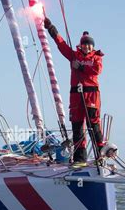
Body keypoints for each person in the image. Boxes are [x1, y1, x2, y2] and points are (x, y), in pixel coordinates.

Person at [44, 17, 105, 166]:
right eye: (84, 44)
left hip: (91, 94)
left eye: (89, 45)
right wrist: (51, 28)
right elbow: (61, 45)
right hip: (76, 95)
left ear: (92, 46)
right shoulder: (73, 56)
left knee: (93, 125)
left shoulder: (96, 58)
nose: (87, 47)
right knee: (77, 127)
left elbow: (97, 70)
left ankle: (100, 155)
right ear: (80, 45)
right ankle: (80, 159)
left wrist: (81, 67)